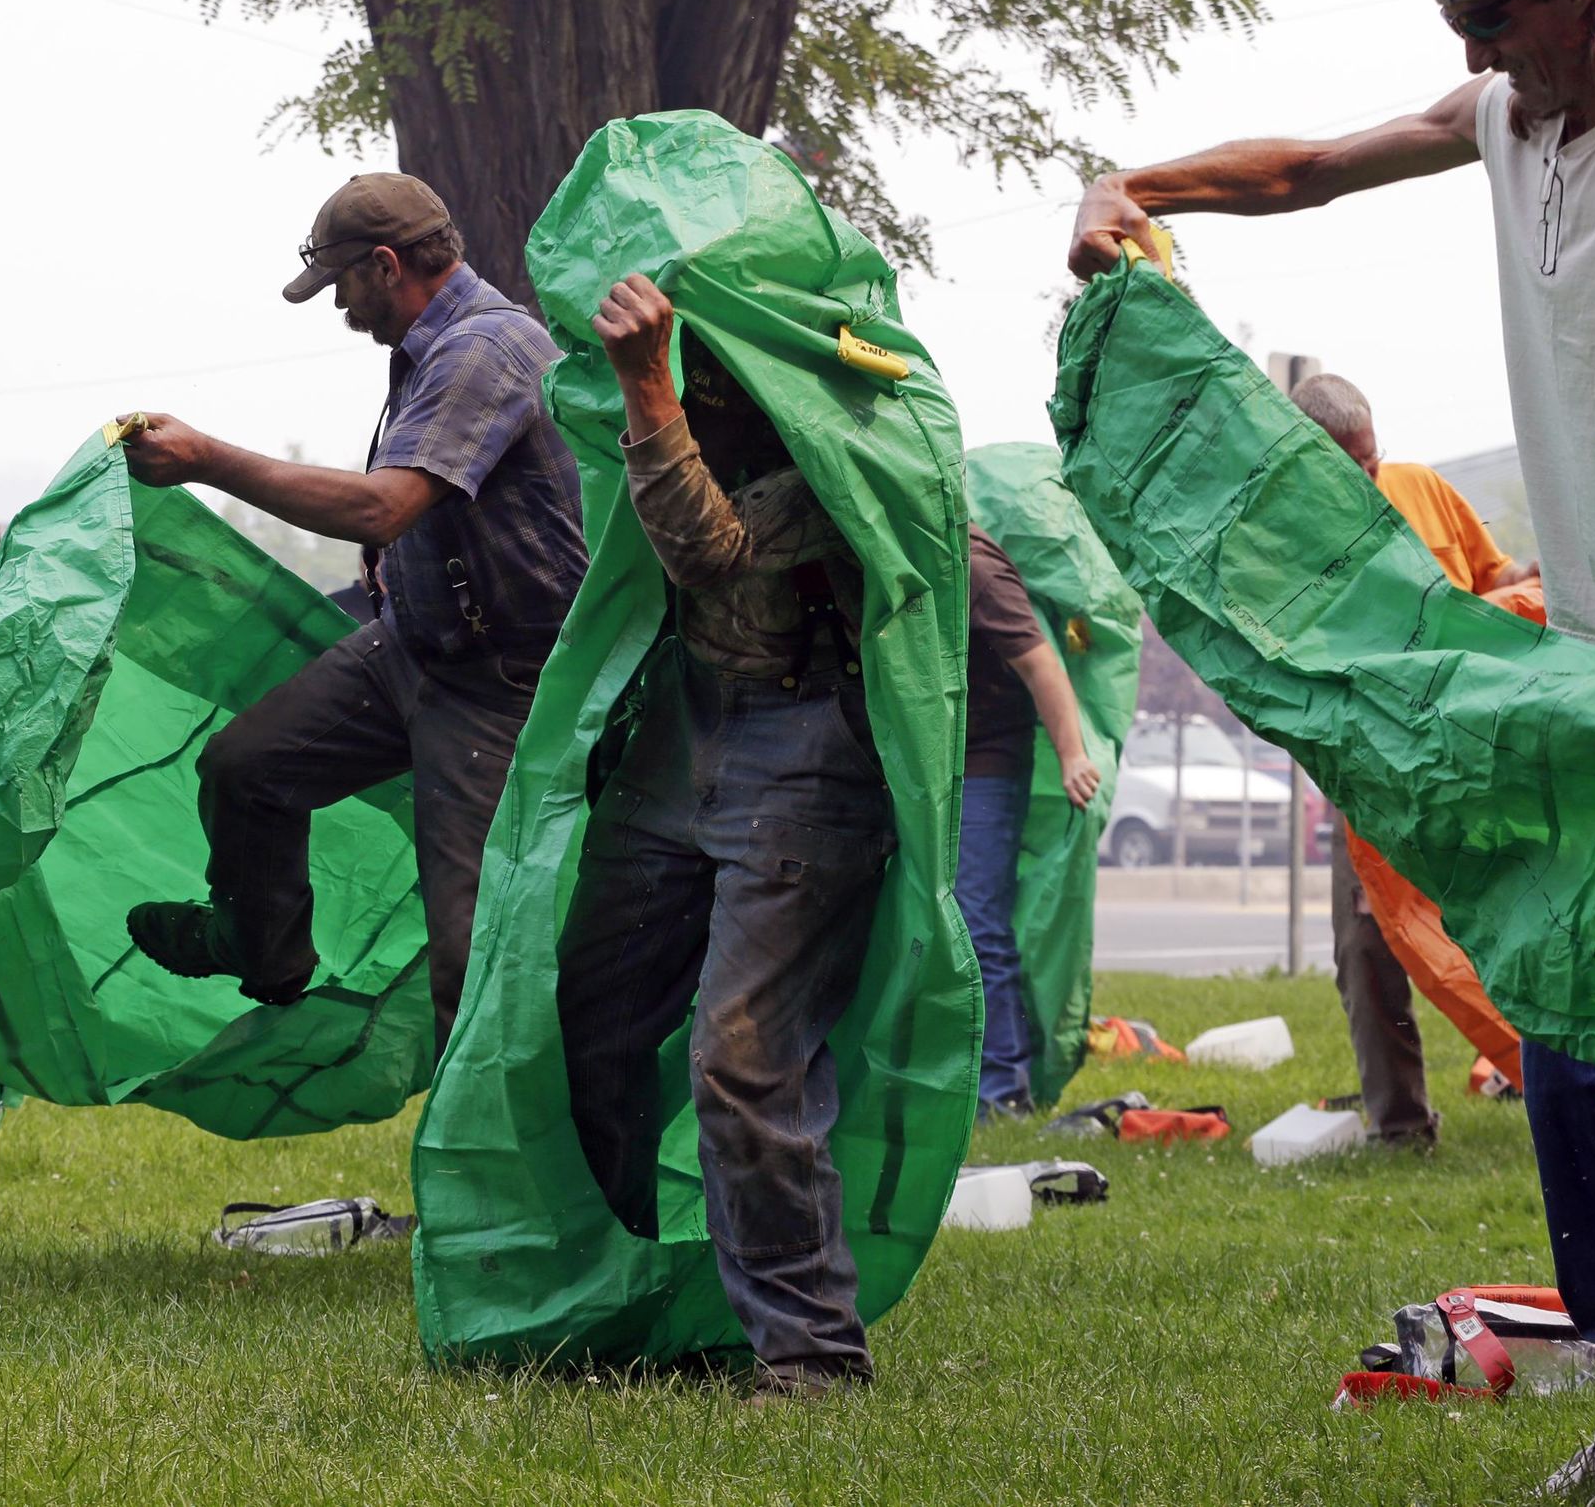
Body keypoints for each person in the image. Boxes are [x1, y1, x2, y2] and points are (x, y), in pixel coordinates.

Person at [1067, 0, 1595, 1496]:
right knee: (1562, 1042)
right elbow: (1315, 168)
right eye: (1459, 27)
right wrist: (1142, 183)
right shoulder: (1505, 123)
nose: (1477, 49)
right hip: (1587, 661)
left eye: (1492, 18)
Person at [120, 173, 586, 1054]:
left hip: (497, 685)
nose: (340, 309)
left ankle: (494, 1182)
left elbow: (381, 508)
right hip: (409, 649)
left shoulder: (485, 349)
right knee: (244, 767)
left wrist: (207, 459)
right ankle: (261, 950)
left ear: (386, 264)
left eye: (342, 287)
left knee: (469, 949)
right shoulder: (423, 349)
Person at [553, 277, 892, 1400]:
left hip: (802, 747)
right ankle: (607, 1292)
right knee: (591, 1011)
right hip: (686, 732)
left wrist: (649, 383)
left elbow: (711, 548)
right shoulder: (669, 407)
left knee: (743, 1057)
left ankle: (810, 1351)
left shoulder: (853, 427)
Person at [1289, 373, 1532, 1148]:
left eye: (1372, 460)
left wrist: (1528, 589)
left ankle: (1558, 1083)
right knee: (1368, 945)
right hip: (1371, 769)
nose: (1369, 481)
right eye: (1349, 468)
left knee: (1520, 924)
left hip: (1474, 753)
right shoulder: (1285, 536)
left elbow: (1495, 579)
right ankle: (1398, 1123)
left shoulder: (1421, 488)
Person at [955, 525, 1102, 1120]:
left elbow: (1044, 665)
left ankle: (1002, 1090)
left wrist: (1072, 756)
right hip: (930, 765)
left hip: (986, 763)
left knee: (976, 921)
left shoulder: (974, 567)